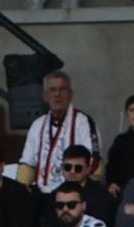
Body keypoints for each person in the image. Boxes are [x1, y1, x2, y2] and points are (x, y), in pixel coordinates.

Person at [15, 72, 96, 203]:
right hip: (41, 193)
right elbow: (27, 162)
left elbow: (93, 161)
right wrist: (21, 188)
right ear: (45, 96)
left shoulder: (84, 122)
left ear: (70, 94)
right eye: (52, 90)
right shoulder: (37, 124)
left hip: (73, 196)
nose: (57, 94)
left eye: (62, 89)